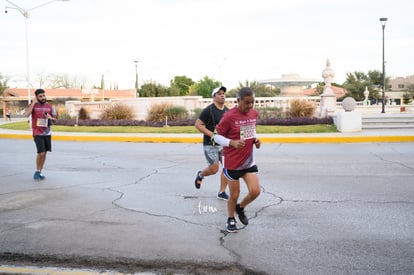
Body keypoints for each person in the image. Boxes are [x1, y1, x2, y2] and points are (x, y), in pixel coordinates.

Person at [214, 87, 261, 233]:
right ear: (238, 101)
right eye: (247, 103)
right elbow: (216, 136)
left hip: (248, 161)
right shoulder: (229, 116)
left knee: (255, 191)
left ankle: (240, 208)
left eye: (252, 102)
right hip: (232, 162)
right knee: (234, 194)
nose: (250, 106)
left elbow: (251, 130)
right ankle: (230, 218)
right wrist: (231, 142)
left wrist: (255, 140)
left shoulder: (254, 113)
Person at [194, 86, 229, 200]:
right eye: (219, 93)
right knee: (214, 169)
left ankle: (222, 192)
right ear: (213, 97)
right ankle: (200, 174)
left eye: (223, 93)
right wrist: (213, 135)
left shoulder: (227, 111)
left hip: (224, 144)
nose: (222, 95)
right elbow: (198, 124)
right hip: (210, 144)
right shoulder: (208, 110)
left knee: (228, 167)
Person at [25, 88, 57, 181]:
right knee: (41, 153)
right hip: (37, 133)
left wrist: (51, 117)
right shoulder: (33, 106)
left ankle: (40, 171)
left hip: (47, 133)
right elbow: (26, 114)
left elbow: (55, 120)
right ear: (36, 97)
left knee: (45, 153)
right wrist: (33, 103)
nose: (43, 97)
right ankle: (37, 171)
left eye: (43, 95)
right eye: (40, 96)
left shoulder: (50, 106)